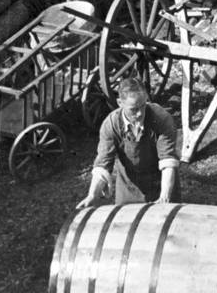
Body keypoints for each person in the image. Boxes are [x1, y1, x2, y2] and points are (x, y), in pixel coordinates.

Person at [77, 77, 180, 207]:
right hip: (129, 188)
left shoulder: (161, 119)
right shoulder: (111, 124)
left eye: (143, 106)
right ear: (120, 103)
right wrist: (92, 195)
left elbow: (168, 160)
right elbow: (103, 164)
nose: (139, 114)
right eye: (133, 109)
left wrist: (165, 197)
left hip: (161, 183)